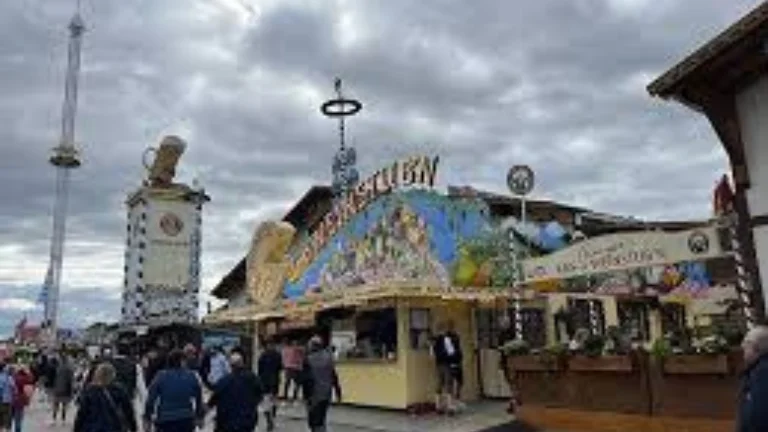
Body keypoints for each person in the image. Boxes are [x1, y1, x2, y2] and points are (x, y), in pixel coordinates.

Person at [144, 349, 204, 432]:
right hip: (186, 419)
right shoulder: (192, 376)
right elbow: (199, 397)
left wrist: (147, 418)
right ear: (182, 361)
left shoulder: (160, 376)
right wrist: (199, 416)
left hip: (165, 420)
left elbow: (151, 399)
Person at [207, 352, 264, 432]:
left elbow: (214, 398)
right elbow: (260, 395)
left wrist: (205, 410)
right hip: (247, 421)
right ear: (243, 363)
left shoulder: (224, 381)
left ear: (230, 365)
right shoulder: (252, 378)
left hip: (227, 423)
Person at [74, 362, 137, 432]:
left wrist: (76, 429)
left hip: (92, 428)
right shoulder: (119, 390)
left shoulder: (90, 390)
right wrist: (133, 427)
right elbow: (129, 411)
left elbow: (81, 414)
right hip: (114, 427)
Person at [301, 335, 342, 432]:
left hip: (314, 395)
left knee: (314, 422)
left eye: (310, 345)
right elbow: (334, 376)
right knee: (321, 419)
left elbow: (306, 380)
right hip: (326, 394)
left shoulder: (308, 359)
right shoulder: (328, 358)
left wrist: (306, 397)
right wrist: (338, 392)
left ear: (313, 346)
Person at [737, 325, 768, 431]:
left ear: (757, 347)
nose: (742, 346)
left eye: (746, 342)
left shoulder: (762, 374)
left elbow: (757, 413)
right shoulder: (757, 369)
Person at [432, 321, 463, 414]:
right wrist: (455, 359)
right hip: (447, 364)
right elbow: (451, 352)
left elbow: (432, 353)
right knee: (448, 384)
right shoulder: (446, 339)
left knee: (439, 384)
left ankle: (438, 406)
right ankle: (450, 407)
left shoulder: (434, 340)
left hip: (438, 364)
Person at [258, 338, 283, 431]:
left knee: (267, 401)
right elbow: (280, 368)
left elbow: (260, 370)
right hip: (273, 381)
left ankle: (270, 419)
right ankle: (271, 418)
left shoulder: (263, 355)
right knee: (272, 401)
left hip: (266, 382)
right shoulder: (277, 355)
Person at [52, 354, 75, 426]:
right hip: (66, 389)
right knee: (64, 405)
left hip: (58, 388)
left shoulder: (58, 368)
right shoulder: (69, 369)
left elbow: (55, 378)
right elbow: (71, 380)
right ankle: (63, 420)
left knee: (56, 405)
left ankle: (54, 419)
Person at [11, 364, 33, 432]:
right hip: (20, 400)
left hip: (12, 399)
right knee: (19, 419)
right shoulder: (26, 379)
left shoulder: (13, 377)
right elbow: (29, 388)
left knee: (11, 418)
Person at [282, 339, 304, 403]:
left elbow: (284, 358)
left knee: (291, 383)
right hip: (293, 368)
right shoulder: (292, 350)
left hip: (291, 367)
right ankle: (291, 397)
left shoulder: (297, 350)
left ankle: (290, 397)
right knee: (291, 383)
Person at [0, 362, 16, 432]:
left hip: (3, 400)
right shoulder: (8, 377)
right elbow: (14, 388)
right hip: (7, 400)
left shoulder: (7, 377)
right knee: (7, 418)